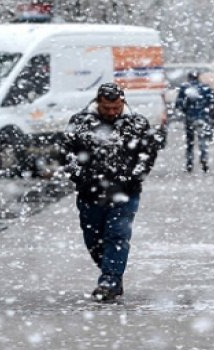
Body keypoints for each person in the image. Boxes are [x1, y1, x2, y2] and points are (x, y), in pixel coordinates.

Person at [63, 83, 164, 302]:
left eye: (115, 108)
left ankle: (109, 280)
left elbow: (147, 155)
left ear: (123, 103)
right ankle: (112, 273)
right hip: (90, 193)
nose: (111, 113)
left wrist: (133, 177)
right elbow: (67, 153)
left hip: (125, 192)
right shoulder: (80, 123)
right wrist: (79, 176)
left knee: (117, 235)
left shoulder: (137, 124)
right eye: (107, 108)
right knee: (94, 239)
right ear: (98, 103)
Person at [175, 71, 214, 173]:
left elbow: (179, 104)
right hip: (203, 117)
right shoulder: (205, 88)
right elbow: (213, 102)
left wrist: (185, 111)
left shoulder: (185, 88)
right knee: (203, 140)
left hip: (190, 118)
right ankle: (204, 159)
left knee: (190, 142)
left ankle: (189, 162)